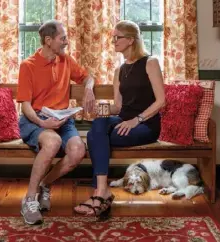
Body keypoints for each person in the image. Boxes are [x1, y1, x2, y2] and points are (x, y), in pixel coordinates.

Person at [74, 20, 165, 217]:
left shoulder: (150, 63)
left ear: (131, 40)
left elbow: (161, 101)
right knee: (98, 125)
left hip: (146, 125)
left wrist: (137, 120)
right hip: (123, 121)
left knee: (94, 137)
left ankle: (100, 192)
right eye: (112, 37)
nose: (113, 41)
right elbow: (119, 107)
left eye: (117, 37)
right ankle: (102, 190)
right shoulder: (120, 70)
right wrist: (100, 109)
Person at [17, 20, 95, 225]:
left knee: (78, 150)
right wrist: (43, 124)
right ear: (48, 40)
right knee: (51, 143)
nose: (66, 42)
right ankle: (30, 198)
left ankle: (44, 184)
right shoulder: (28, 66)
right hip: (35, 120)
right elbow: (25, 106)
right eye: (63, 38)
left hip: (62, 119)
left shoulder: (65, 60)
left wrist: (88, 88)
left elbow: (88, 77)